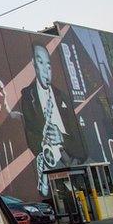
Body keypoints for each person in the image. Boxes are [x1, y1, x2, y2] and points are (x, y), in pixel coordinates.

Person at [20, 45, 85, 195]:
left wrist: (62, 137)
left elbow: (82, 145)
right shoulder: (28, 96)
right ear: (34, 64)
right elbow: (30, 134)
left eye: (48, 65)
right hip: (50, 160)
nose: (45, 70)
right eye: (40, 62)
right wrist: (44, 148)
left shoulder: (62, 96)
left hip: (72, 158)